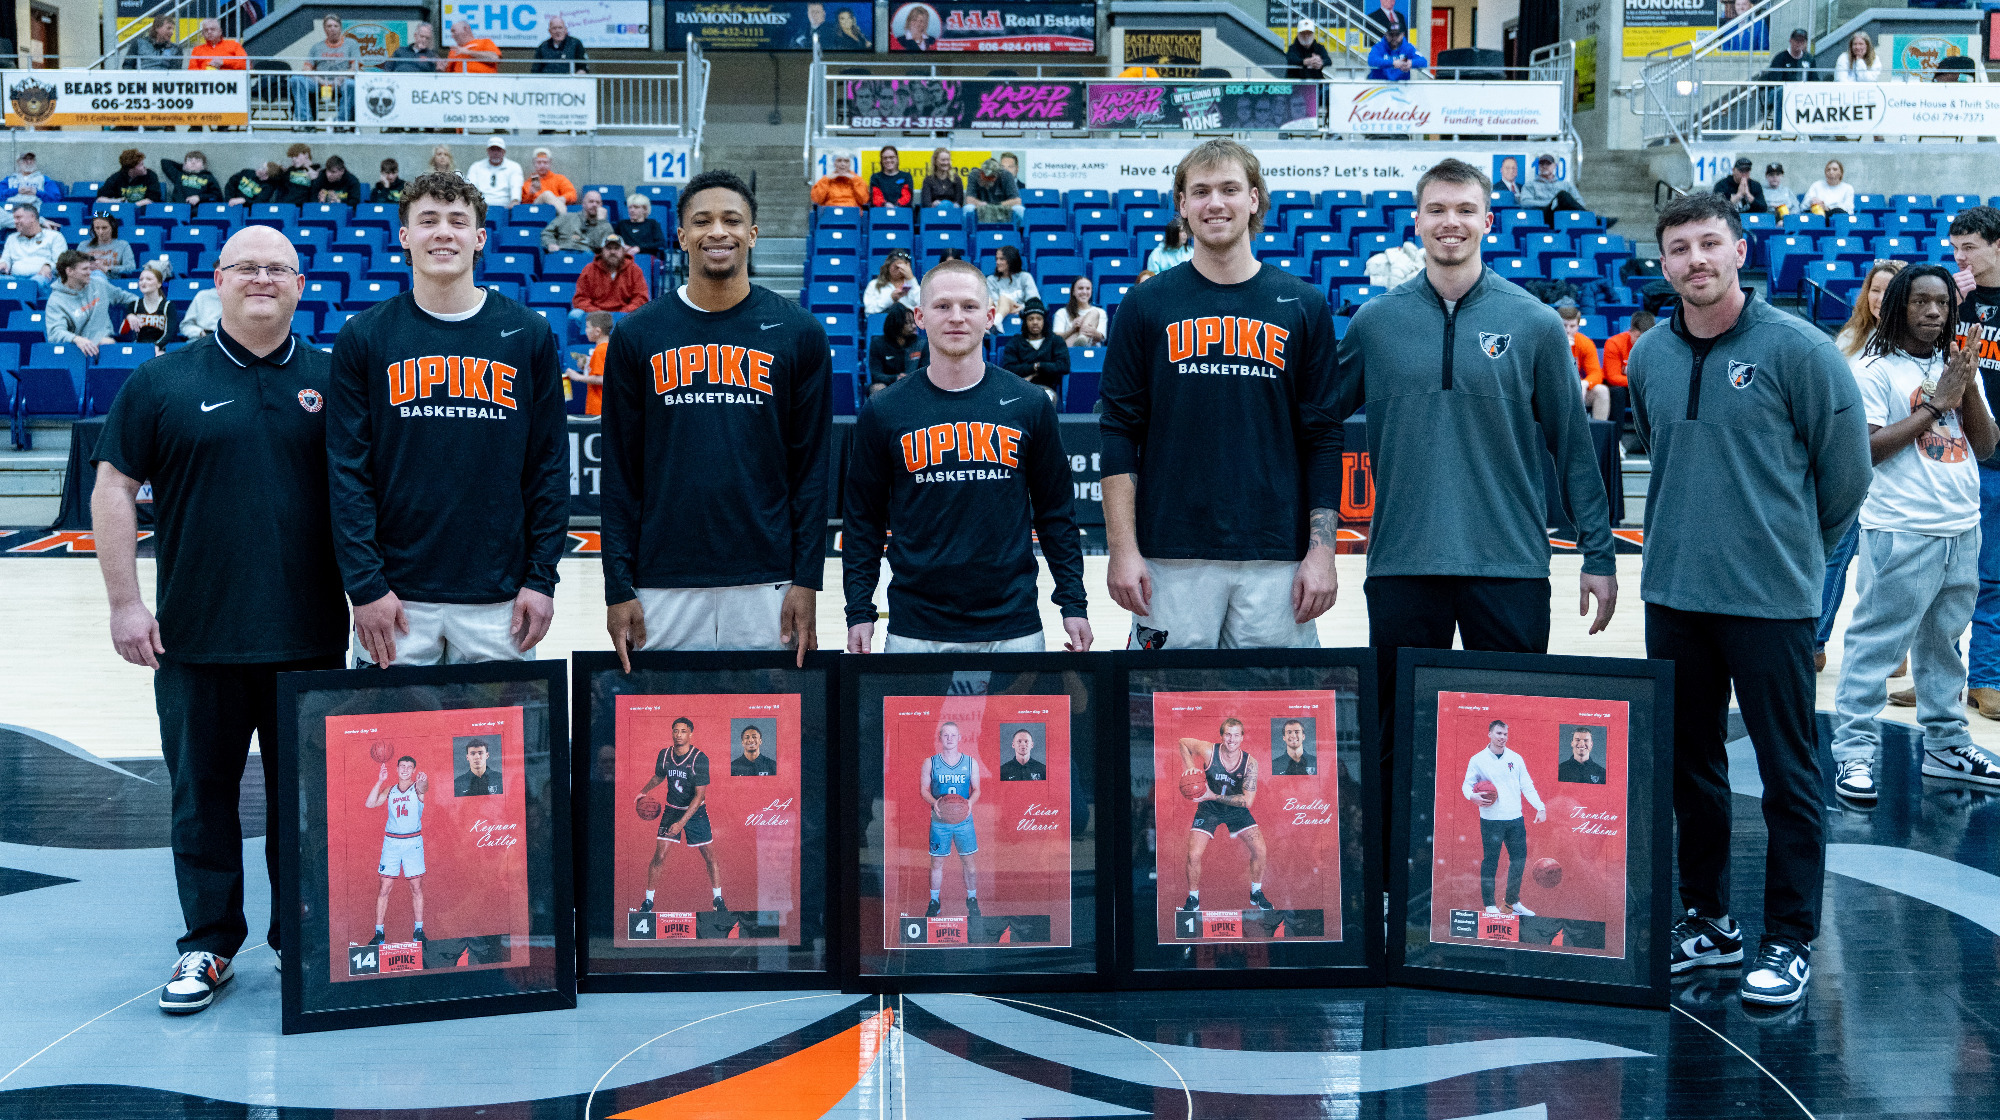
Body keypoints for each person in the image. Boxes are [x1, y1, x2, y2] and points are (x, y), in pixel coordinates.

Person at [90, 224, 346, 1013]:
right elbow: (110, 489)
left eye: (279, 268)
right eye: (247, 267)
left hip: (309, 635)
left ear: (302, 284)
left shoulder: (337, 381)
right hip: (196, 636)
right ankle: (207, 944)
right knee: (201, 798)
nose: (263, 279)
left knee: (306, 802)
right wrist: (127, 603)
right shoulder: (164, 381)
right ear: (219, 280)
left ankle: (301, 936)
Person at [1627, 191, 1871, 1008]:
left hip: (1769, 603)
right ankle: (1709, 920)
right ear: (1663, 265)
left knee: (1788, 775)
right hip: (1673, 596)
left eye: (1708, 244)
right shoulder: (1647, 357)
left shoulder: (1800, 351)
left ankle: (1791, 939)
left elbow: (1845, 480)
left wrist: (1791, 556)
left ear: (1739, 251)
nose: (1694, 261)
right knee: (1690, 772)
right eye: (1678, 249)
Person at [1335, 157, 1616, 838]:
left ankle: (1497, 900)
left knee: (1512, 729)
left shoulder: (1536, 324)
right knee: (1398, 730)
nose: (1450, 222)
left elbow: (1575, 448)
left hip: (1510, 563)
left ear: (1489, 221)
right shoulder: (1374, 324)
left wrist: (1599, 554)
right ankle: (1390, 883)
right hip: (1404, 562)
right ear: (1417, 221)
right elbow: (1308, 421)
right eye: (1437, 210)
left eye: (1464, 210)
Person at [1101, 139, 1341, 650]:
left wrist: (1323, 553)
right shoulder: (1145, 304)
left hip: (1278, 552)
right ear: (1182, 206)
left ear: (1254, 199)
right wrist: (1121, 549)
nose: (1216, 203)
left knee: (1276, 712)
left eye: (1230, 189)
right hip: (1170, 552)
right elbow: (1119, 431)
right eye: (1201, 191)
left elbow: (1322, 436)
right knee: (1162, 713)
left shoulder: (1303, 303)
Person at [327, 171, 568, 667]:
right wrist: (366, 586)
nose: (443, 232)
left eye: (459, 221)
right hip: (395, 599)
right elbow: (348, 472)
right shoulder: (365, 337)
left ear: (479, 238)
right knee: (391, 743)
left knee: (500, 745)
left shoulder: (527, 334)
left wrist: (542, 578)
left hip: (501, 597)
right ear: (405, 236)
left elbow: (547, 466)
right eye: (428, 220)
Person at [599, 169, 830, 665]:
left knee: (770, 730)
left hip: (768, 578)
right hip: (661, 580)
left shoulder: (798, 332)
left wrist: (808, 579)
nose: (717, 231)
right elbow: (619, 471)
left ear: (753, 233)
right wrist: (617, 585)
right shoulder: (638, 335)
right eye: (702, 221)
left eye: (732, 220)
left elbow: (811, 471)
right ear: (682, 236)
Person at [843, 258, 1089, 654]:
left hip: (1013, 624)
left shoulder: (1029, 404)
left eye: (969, 306)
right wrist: (859, 610)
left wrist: (1073, 604)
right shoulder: (884, 411)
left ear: (990, 316)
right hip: (915, 627)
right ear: (920, 316)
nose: (956, 317)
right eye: (942, 306)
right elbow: (863, 521)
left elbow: (1055, 513)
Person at [1831, 264, 1999, 803]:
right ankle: (1853, 753)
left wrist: (1964, 384)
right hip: (1901, 528)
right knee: (1876, 645)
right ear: (1898, 304)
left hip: (1960, 526)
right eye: (1921, 303)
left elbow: (1987, 445)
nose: (1933, 313)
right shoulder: (1872, 369)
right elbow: (1867, 451)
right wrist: (1935, 404)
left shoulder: (1957, 366)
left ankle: (1947, 746)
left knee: (1944, 644)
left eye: (1943, 304)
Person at [1949, 208, 2000, 719]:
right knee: (1942, 575)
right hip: (1950, 456)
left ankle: (1987, 679)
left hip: (1998, 461)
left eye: (1970, 248)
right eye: (1955, 248)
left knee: (1991, 577)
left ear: (1998, 245)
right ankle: (1940, 677)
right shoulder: (1952, 302)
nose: (1960, 257)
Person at [634, 717, 726, 913]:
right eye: (675, 731)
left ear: (691, 734)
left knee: (709, 856)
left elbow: (699, 795)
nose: (678, 734)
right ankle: (649, 901)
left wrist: (681, 823)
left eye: (683, 731)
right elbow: (659, 776)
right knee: (659, 854)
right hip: (672, 810)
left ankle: (718, 899)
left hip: (695, 812)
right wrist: (643, 792)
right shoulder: (665, 755)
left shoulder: (699, 759)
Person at [1178, 719, 1272, 912]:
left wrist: (1212, 795)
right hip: (1209, 808)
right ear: (1221, 736)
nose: (1232, 739)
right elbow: (1183, 742)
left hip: (1235, 810)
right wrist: (1189, 767)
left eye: (1236, 735)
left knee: (1260, 850)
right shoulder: (1209, 751)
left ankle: (1256, 892)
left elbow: (1247, 801)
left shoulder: (1250, 764)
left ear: (1242, 737)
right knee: (1193, 854)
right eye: (1228, 734)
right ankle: (1193, 899)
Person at [1462, 719, 1546, 919]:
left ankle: (1512, 901)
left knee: (1519, 860)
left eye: (1505, 734)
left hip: (1515, 819)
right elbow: (1467, 784)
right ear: (1489, 734)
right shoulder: (1478, 759)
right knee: (1491, 861)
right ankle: (1490, 904)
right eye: (1499, 733)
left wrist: (1540, 807)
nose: (1502, 738)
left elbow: (1527, 785)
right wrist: (1471, 796)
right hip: (1491, 820)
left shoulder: (1516, 758)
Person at [914, 722, 979, 915]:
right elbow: (923, 790)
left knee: (969, 863)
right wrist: (934, 802)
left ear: (960, 738)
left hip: (963, 821)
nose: (950, 739)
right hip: (940, 821)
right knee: (937, 863)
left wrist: (970, 804)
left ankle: (972, 898)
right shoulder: (930, 762)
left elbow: (977, 790)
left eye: (953, 735)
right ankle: (934, 901)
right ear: (940, 738)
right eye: (946, 735)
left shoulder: (970, 762)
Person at [364, 756, 428, 944]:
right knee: (384, 887)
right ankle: (379, 933)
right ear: (397, 768)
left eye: (409, 767)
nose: (405, 769)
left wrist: (424, 781)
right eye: (402, 766)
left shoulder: (418, 787)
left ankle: (419, 930)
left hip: (412, 842)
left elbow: (424, 788)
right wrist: (380, 780)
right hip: (392, 842)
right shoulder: (390, 790)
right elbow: (369, 803)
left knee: (416, 887)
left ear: (414, 770)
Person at [46, 250, 137, 358]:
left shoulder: (98, 284)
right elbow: (55, 332)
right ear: (69, 271)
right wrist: (76, 339)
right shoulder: (56, 300)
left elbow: (131, 298)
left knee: (107, 344)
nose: (90, 272)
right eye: (85, 269)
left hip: (105, 343)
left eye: (90, 268)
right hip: (77, 350)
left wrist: (131, 313)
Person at [570, 236, 648, 338]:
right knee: (575, 314)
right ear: (602, 251)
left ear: (623, 251)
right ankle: (574, 349)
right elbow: (580, 298)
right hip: (595, 314)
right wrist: (597, 312)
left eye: (616, 249)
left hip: (624, 314)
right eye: (608, 248)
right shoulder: (589, 269)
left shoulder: (635, 270)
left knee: (644, 316)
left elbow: (641, 298)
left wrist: (623, 313)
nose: (612, 252)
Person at [291, 14, 360, 125]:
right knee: (296, 80)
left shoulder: (351, 44)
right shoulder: (316, 47)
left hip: (341, 82)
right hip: (320, 82)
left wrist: (340, 79)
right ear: (324, 29)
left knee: (351, 84)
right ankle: (305, 121)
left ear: (340, 28)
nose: (332, 29)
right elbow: (306, 69)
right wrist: (321, 81)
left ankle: (342, 123)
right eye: (329, 26)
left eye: (335, 26)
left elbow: (355, 68)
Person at [1000, 296, 1067, 401]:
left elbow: (1063, 366)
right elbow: (1009, 368)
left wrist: (1039, 366)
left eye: (1039, 318)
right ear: (1025, 321)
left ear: (1044, 321)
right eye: (1031, 319)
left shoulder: (1055, 341)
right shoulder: (1015, 342)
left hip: (1048, 389)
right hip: (1021, 389)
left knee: (1046, 398)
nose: (1035, 322)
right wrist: (1034, 367)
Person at [1756, 28, 1819, 126]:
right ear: (1790, 41)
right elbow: (1775, 81)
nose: (1799, 43)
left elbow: (1814, 79)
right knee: (1782, 92)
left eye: (1802, 41)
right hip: (1777, 92)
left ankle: (1816, 132)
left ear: (1806, 43)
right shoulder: (1780, 57)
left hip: (1802, 92)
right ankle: (1779, 130)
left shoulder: (1809, 58)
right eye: (1796, 40)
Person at [1559, 304, 1610, 420]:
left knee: (1602, 391)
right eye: (1564, 325)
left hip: (1577, 388)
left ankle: (1597, 435)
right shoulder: (1547, 342)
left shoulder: (1585, 343)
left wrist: (1585, 383)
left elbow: (1596, 373)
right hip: (1552, 389)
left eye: (1572, 326)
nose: (1567, 330)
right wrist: (1562, 350)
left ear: (1578, 326)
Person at [2, 201, 63, 294]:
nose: (15, 221)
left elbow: (61, 261)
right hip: (14, 277)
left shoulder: (54, 236)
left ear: (32, 217)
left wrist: (49, 266)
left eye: (18, 218)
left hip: (42, 277)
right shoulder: (12, 238)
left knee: (34, 284)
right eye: (14, 218)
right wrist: (4, 264)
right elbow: (5, 259)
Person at [867, 302, 926, 393]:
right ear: (896, 324)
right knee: (877, 388)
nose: (914, 326)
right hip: (889, 385)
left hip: (915, 385)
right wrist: (896, 378)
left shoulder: (922, 343)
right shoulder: (878, 343)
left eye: (914, 322)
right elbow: (876, 374)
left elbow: (927, 372)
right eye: (908, 323)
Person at [120, 263, 178, 346]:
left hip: (161, 350)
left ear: (159, 283)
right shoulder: (133, 306)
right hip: (139, 348)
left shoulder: (168, 306)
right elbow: (123, 334)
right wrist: (129, 316)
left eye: (149, 279)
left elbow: (170, 334)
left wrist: (158, 347)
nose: (143, 282)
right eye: (141, 279)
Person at [568, 309, 611, 416]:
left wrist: (578, 377)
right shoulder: (606, 348)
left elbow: (602, 379)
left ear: (597, 331)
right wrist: (587, 365)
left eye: (587, 327)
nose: (585, 331)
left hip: (599, 408)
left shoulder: (601, 350)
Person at [1516, 153, 1585, 218]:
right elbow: (1525, 203)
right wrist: (1550, 203)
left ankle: (1588, 217)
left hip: (1563, 214)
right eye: (1542, 164)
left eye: (1548, 164)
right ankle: (1590, 217)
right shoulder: (1530, 185)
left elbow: (1580, 202)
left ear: (1555, 166)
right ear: (1539, 166)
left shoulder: (1565, 185)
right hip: (1543, 214)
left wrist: (1558, 203)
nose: (1544, 166)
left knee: (1563, 196)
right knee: (1562, 195)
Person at [543, 189, 613, 253]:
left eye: (598, 203)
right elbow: (547, 232)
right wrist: (550, 244)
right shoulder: (567, 217)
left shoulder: (604, 225)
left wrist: (601, 223)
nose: (594, 205)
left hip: (587, 257)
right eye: (591, 201)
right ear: (583, 204)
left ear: (601, 205)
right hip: (563, 251)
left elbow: (601, 246)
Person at [1603, 307, 1655, 389]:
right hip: (1625, 388)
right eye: (1638, 337)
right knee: (1618, 390)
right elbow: (1613, 378)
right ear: (1630, 332)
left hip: (1648, 388)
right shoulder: (1614, 343)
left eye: (1647, 338)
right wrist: (1641, 382)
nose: (1642, 342)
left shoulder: (1659, 346)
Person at [466, 139, 524, 211]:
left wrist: (515, 200)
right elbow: (470, 187)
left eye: (498, 150)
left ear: (504, 152)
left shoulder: (514, 166)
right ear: (488, 151)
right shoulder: (476, 166)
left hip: (505, 206)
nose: (495, 153)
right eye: (493, 150)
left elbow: (516, 186)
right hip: (481, 207)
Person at [986, 244, 1038, 319]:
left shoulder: (1025, 277)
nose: (997, 262)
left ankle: (996, 322)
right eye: (996, 259)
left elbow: (1034, 300)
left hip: (1021, 314)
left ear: (1011, 260)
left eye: (1001, 259)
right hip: (998, 313)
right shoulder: (991, 280)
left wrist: (1022, 308)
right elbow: (994, 304)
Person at [968, 160, 1025, 227]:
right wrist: (982, 204)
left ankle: (1018, 235)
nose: (986, 178)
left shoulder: (1006, 175)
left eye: (990, 177)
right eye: (984, 175)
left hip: (1002, 207)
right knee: (968, 208)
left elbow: (1017, 201)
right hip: (981, 206)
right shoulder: (974, 175)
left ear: (996, 176)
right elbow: (969, 199)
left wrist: (998, 205)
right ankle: (970, 235)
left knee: (1020, 209)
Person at [613, 194, 668, 261]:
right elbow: (613, 240)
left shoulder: (652, 223)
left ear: (645, 209)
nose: (632, 210)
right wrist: (622, 246)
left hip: (646, 258)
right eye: (630, 207)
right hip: (626, 257)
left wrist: (639, 248)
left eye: (636, 207)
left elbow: (660, 243)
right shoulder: (622, 224)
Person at [864, 250, 920, 314]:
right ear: (888, 267)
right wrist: (891, 298)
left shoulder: (912, 285)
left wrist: (911, 279)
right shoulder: (873, 285)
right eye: (896, 267)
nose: (899, 270)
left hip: (907, 322)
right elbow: (869, 310)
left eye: (902, 268)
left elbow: (923, 306)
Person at [1054, 277, 1105, 347]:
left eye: (1088, 289)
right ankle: (1081, 339)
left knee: (1094, 313)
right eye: (1080, 288)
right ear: (1073, 292)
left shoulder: (1101, 312)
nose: (1084, 292)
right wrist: (1073, 330)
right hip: (1069, 349)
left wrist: (1092, 331)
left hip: (1091, 350)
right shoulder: (1061, 312)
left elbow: (1102, 338)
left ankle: (1082, 337)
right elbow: (1056, 339)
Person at [81, 214, 136, 279]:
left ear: (112, 227)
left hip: (110, 281)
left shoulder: (122, 245)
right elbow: (74, 266)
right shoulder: (83, 245)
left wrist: (108, 268)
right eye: (97, 228)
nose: (100, 232)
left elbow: (131, 268)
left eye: (104, 228)